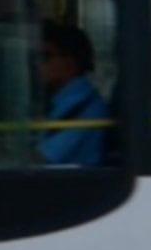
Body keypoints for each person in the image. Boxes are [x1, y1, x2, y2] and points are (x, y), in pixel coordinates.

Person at [38, 20, 111, 165]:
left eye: (45, 56)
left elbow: (40, 160)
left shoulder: (86, 110)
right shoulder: (63, 102)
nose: (38, 64)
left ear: (69, 62)